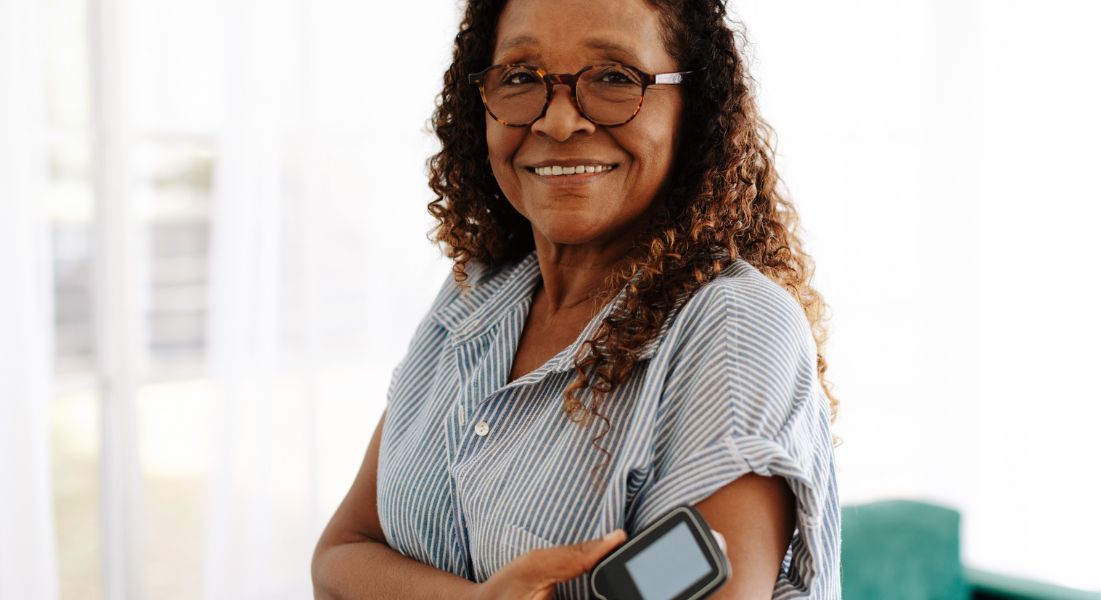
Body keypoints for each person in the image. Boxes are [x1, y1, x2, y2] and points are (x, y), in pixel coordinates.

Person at [311, 0, 842, 597]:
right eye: (519, 78)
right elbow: (339, 556)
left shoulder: (736, 328)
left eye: (615, 78)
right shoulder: (475, 292)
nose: (559, 123)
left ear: (693, 110)